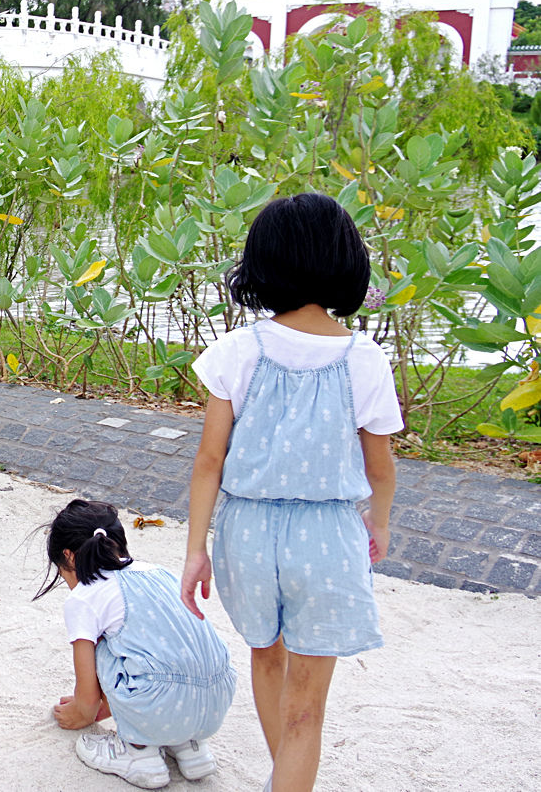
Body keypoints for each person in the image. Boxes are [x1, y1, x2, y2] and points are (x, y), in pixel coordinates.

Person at [181, 192, 401, 792]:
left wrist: (195, 548)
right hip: (327, 538)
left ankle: (284, 778)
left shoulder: (236, 350)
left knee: (265, 656)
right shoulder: (366, 361)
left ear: (263, 263)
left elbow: (209, 461)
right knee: (308, 707)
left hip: (246, 533)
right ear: (345, 261)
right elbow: (381, 469)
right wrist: (378, 522)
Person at [38, 499, 235, 789]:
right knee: (157, 646)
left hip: (158, 705)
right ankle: (189, 746)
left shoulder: (84, 597)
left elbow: (87, 701)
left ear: (68, 557)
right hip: (217, 700)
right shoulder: (158, 571)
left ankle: (138, 752)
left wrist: (79, 712)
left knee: (105, 645)